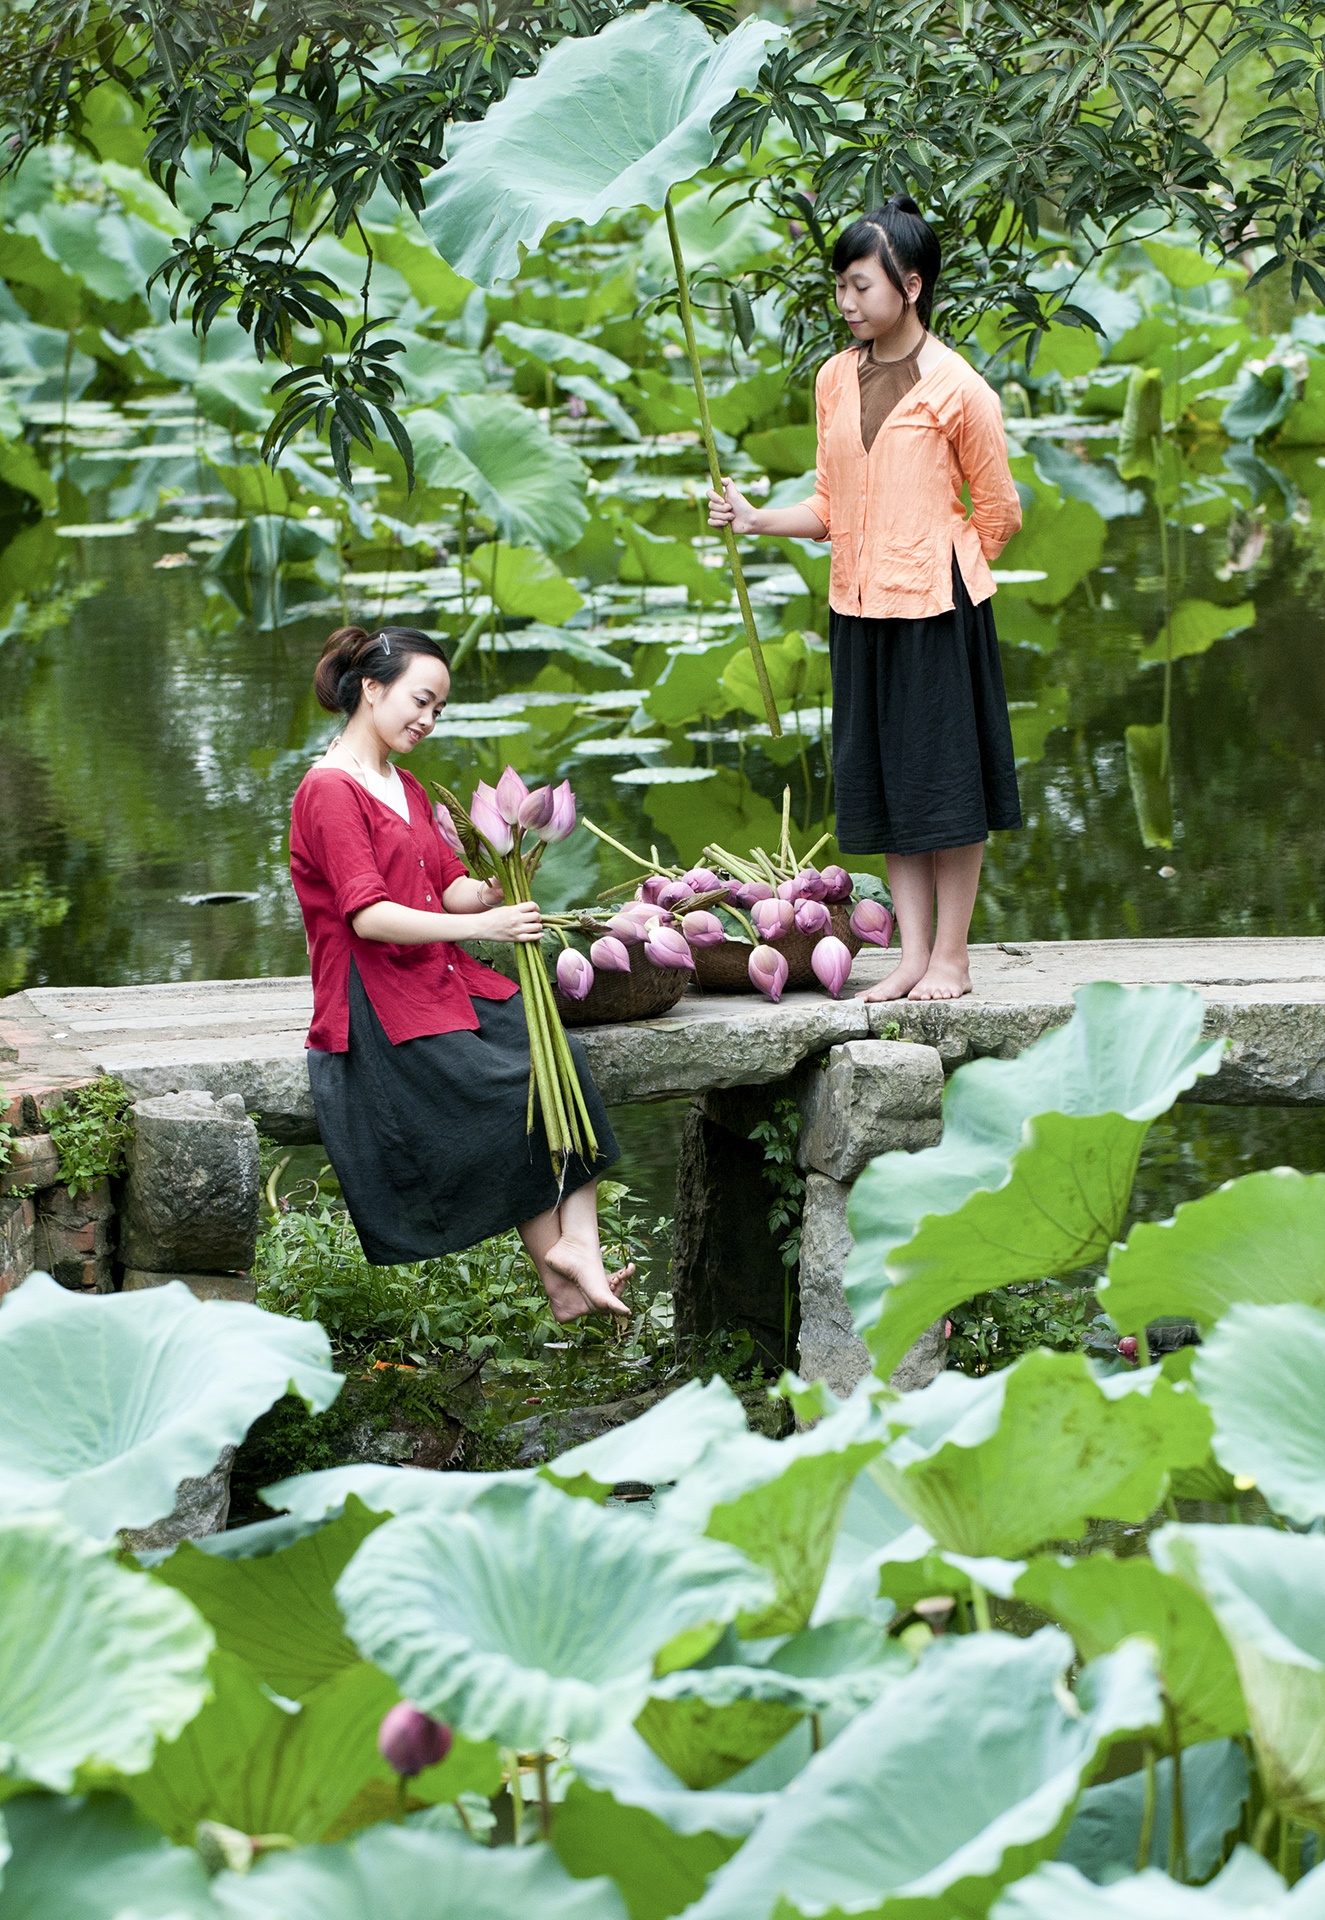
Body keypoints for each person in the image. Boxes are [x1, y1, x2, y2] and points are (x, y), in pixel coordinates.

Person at [709, 195, 1023, 1001]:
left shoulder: (960, 389)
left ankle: (951, 958)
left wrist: (930, 560)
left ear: (910, 287)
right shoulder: (833, 379)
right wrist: (754, 519)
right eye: (839, 286)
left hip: (937, 613)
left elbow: (998, 513)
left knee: (947, 789)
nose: (845, 301)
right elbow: (829, 506)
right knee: (889, 786)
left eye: (860, 286)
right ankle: (911, 959)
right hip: (857, 612)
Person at [289, 623, 630, 1322]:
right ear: (372, 688)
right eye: (421, 701)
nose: (428, 720)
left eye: (439, 709)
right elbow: (367, 917)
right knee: (506, 1089)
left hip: (438, 973)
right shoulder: (328, 791)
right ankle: (563, 1266)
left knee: (558, 1056)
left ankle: (574, 1255)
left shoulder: (406, 786)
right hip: (374, 996)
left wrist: (493, 886)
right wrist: (483, 927)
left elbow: (448, 887)